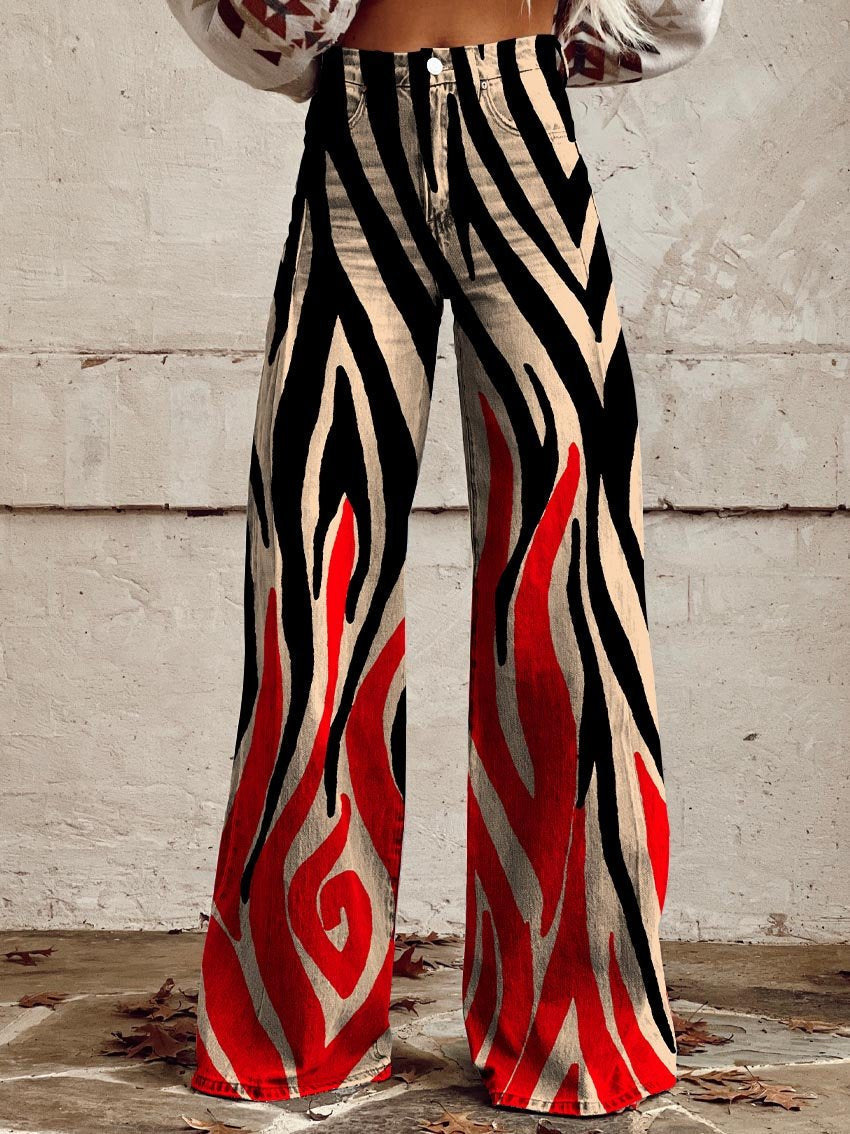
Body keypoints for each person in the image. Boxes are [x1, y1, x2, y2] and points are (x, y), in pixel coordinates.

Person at [164, 0, 722, 1119]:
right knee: (310, 599)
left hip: (525, 142)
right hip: (353, 150)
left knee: (574, 605)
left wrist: (553, 51)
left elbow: (678, 14)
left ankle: (580, 1033)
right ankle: (292, 1031)